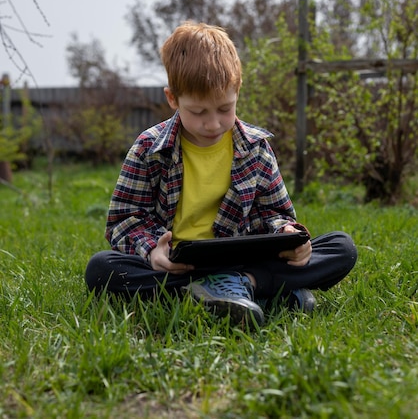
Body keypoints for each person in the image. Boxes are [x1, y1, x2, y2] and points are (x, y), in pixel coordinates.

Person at [85, 21, 357, 326]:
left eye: (225, 109)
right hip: (179, 265)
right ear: (172, 99)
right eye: (198, 112)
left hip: (245, 260)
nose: (213, 124)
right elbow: (124, 220)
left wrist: (289, 235)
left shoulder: (256, 148)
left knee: (341, 248)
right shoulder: (149, 148)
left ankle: (238, 286)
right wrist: (152, 252)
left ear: (237, 91)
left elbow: (276, 213)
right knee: (101, 268)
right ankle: (267, 289)